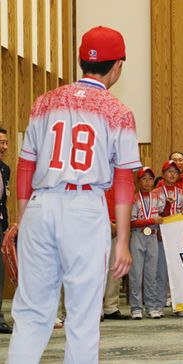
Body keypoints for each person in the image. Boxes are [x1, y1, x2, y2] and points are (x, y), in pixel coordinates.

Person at [7, 26, 140, 363]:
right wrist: (122, 239)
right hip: (83, 208)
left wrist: (24, 221)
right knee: (82, 318)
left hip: (40, 203)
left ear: (82, 61)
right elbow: (124, 180)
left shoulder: (44, 102)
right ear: (118, 66)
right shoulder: (118, 112)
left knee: (33, 313)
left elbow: (25, 167)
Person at [156, 160, 183, 316]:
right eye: (168, 171)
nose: (171, 174)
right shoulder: (155, 193)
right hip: (161, 236)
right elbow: (155, 215)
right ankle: (159, 304)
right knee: (161, 271)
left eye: (175, 172)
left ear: (178, 174)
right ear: (163, 174)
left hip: (178, 237)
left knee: (179, 271)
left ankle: (181, 304)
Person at [129, 167, 164, 320]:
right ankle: (136, 307)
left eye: (150, 179)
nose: (148, 182)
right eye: (144, 179)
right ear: (138, 181)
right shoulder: (134, 198)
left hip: (153, 237)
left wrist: (168, 205)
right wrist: (151, 220)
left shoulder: (158, 197)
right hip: (138, 235)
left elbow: (163, 215)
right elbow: (132, 222)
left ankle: (151, 306)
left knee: (152, 273)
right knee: (136, 273)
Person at [102, 185, 132, 321]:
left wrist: (121, 225)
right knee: (97, 269)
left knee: (115, 268)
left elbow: (126, 203)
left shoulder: (119, 177)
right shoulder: (98, 174)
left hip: (118, 225)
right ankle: (96, 309)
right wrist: (107, 223)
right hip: (98, 224)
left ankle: (111, 307)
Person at [0, 128, 12, 334]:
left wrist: (6, 228)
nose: (4, 147)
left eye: (5, 142)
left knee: (0, 274)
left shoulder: (5, 169)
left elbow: (4, 201)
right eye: (0, 142)